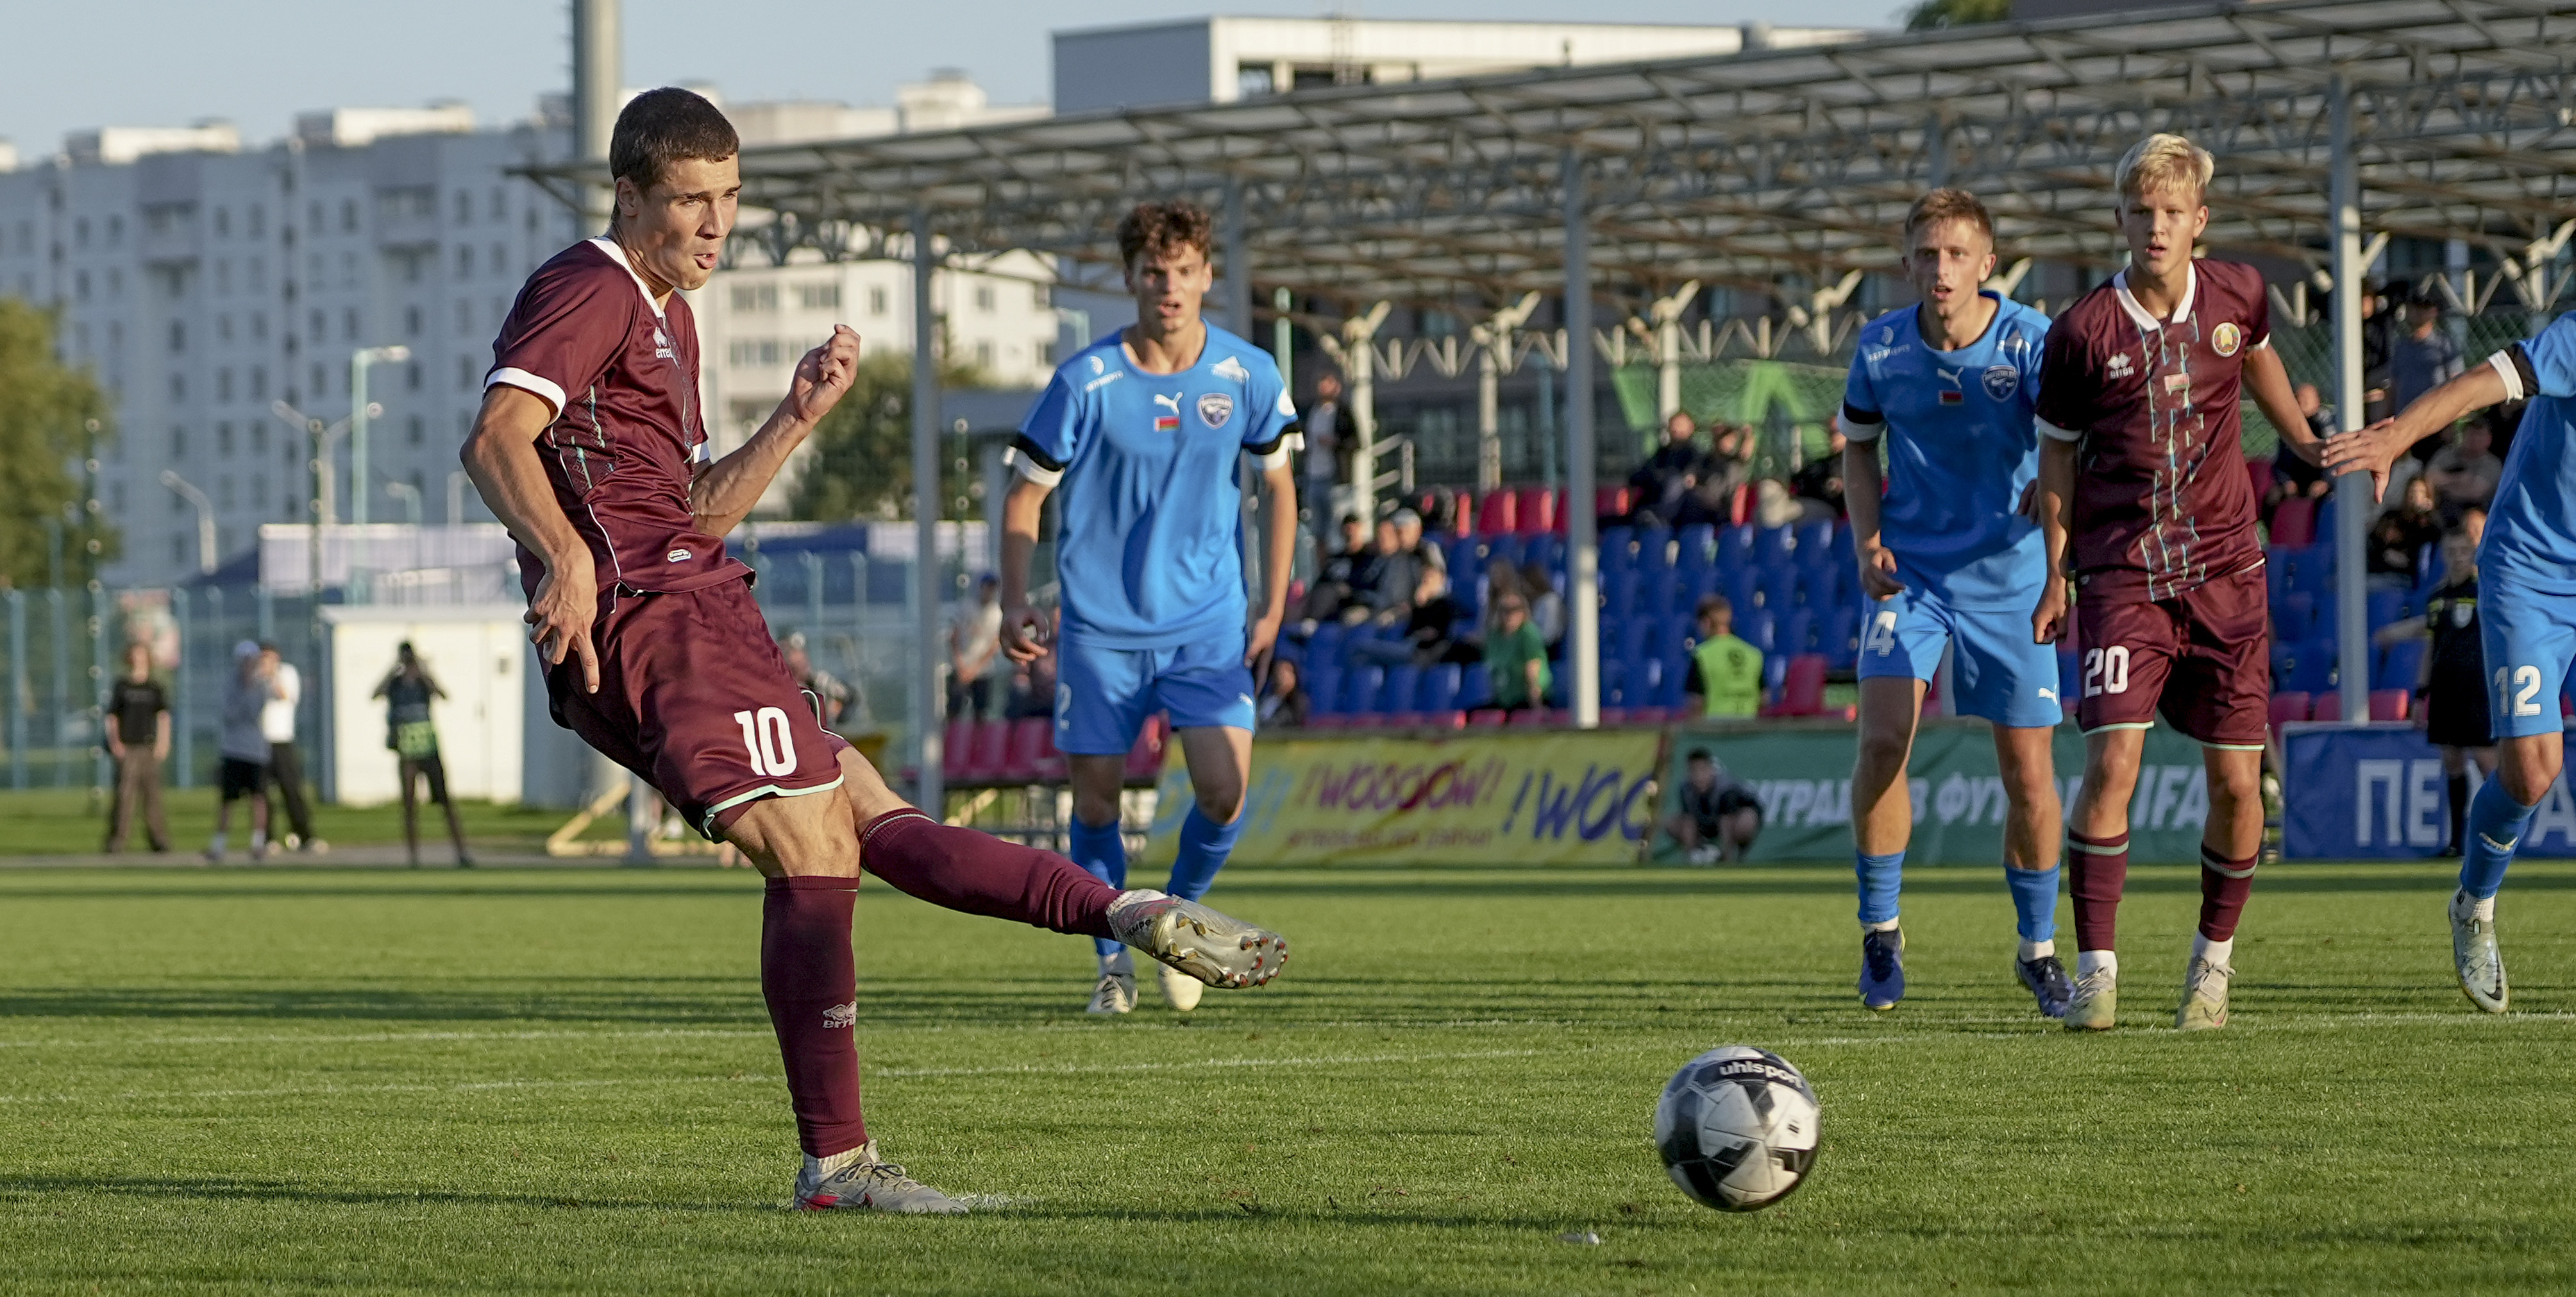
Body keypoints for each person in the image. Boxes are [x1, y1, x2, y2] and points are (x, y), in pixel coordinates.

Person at [461, 90, 1284, 1214]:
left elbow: (694, 507)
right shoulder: (591, 280)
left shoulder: (669, 311)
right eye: (691, 200)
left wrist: (795, 417)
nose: (717, 223)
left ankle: (1119, 913)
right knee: (813, 846)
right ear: (630, 194)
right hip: (651, 612)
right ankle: (839, 1164)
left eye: (732, 198)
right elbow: (497, 432)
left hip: (696, 587)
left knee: (867, 814)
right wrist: (560, 556)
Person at [2030, 133, 2323, 1033]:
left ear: (2199, 221)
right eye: (2139, 212)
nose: (2154, 227)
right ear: (2118, 219)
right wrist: (2054, 572)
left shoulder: (2237, 293)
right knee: (2112, 760)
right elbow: (2056, 457)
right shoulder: (2082, 332)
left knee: (2238, 785)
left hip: (2230, 573)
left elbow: (2261, 355)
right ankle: (2097, 971)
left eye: (2171, 213)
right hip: (2122, 574)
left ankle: (2212, 965)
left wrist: (2306, 439)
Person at [998, 196, 1301, 1019]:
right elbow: (1024, 497)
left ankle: (1180, 923)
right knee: (1095, 802)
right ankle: (1112, 960)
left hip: (1205, 625)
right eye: (1153, 272)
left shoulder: (1247, 374)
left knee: (1224, 791)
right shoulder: (1085, 380)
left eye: (1184, 272)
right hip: (1101, 630)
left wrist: (1273, 604)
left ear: (1208, 277)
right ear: (1130, 278)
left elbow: (1279, 485)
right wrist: (1017, 600)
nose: (1169, 286)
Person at [1838, 187, 2069, 1018]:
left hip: (2009, 582)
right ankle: (1881, 932)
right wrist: (1867, 539)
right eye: (1926, 255)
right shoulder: (1880, 350)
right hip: (1913, 579)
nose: (1941, 269)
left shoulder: (2031, 341)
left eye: (1956, 254)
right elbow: (1858, 454)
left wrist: (2054, 564)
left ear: (1988, 264)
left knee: (2030, 775)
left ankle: (2038, 949)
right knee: (1881, 742)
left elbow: (2064, 451)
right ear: (1905, 265)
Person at [2323, 301, 2576, 1017]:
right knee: (2531, 771)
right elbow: (2479, 384)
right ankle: (2475, 903)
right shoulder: (2574, 340)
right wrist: (2396, 436)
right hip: (2533, 574)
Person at [2371, 527, 2491, 856]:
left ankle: (2502, 838)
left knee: (2486, 763)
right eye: (2451, 551)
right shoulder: (2437, 597)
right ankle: (2456, 842)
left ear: (2474, 554)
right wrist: (2421, 695)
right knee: (2452, 762)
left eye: (2463, 551)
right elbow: (2430, 648)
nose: (2457, 557)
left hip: (2478, 689)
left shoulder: (2486, 592)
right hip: (2446, 689)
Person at [373, 641, 473, 869]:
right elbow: (376, 693)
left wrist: (424, 671)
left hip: (429, 749)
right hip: (407, 751)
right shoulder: (395, 684)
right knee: (409, 804)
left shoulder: (423, 684)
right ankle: (413, 857)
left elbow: (442, 694)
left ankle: (462, 852)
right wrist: (393, 669)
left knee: (445, 802)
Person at [255, 643, 325, 854]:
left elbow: (286, 697)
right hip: (258, 742)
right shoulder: (253, 677)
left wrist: (272, 676)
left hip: (282, 740)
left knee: (292, 790)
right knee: (262, 794)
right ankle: (266, 838)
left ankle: (305, 835)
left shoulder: (287, 673)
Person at [102, 643, 171, 853]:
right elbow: (112, 717)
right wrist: (115, 743)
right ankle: (117, 840)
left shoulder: (154, 687)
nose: (138, 660)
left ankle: (158, 840)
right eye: (135, 656)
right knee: (125, 795)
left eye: (142, 656)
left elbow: (163, 717)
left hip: (148, 746)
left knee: (152, 796)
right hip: (128, 746)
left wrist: (163, 742)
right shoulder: (122, 686)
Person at [208, 641, 273, 863]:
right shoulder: (229, 684)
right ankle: (218, 845)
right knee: (228, 800)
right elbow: (229, 714)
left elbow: (255, 712)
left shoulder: (262, 685)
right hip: (233, 749)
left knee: (258, 798)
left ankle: (258, 844)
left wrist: (250, 689)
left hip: (256, 751)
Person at [1667, 749, 1762, 864]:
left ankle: (1738, 857)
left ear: (1711, 770)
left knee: (1746, 822)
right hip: (1708, 820)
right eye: (1693, 771)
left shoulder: (1726, 789)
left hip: (1735, 820)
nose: (1698, 776)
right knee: (1671, 824)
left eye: (1702, 770)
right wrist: (1690, 854)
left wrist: (1726, 855)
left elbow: (1727, 821)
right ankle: (1702, 852)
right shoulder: (1685, 788)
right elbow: (1689, 821)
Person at [1683, 595, 1763, 719]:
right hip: (1749, 729)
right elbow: (1764, 698)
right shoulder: (1754, 654)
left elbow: (1697, 702)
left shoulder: (1702, 655)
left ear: (1706, 623)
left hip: (1716, 731)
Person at [2264, 383, 2336, 522]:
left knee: (2322, 504)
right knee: (2272, 499)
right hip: (2297, 484)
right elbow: (2280, 463)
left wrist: (2326, 481)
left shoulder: (2325, 425)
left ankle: (2313, 539)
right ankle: (2279, 538)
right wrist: (2287, 482)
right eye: (2298, 398)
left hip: (2321, 482)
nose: (2301, 402)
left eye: (2306, 399)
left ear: (2317, 401)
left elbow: (2335, 456)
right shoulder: (2290, 428)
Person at [2365, 475, 2444, 591]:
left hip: (2404, 578)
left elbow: (2425, 558)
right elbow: (2372, 543)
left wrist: (2428, 514)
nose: (2415, 496)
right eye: (2412, 491)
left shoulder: (2429, 527)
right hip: (2378, 569)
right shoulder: (2391, 517)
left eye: (2420, 492)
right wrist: (2385, 554)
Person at [1629, 411, 1703, 526]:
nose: (1675, 429)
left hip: (1679, 510)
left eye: (1679, 425)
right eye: (1673, 425)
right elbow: (1640, 475)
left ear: (1691, 428)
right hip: (1652, 503)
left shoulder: (1694, 455)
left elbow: (1691, 477)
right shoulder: (1662, 453)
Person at [947, 574, 1003, 722]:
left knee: (981, 714)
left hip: (983, 671)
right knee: (953, 712)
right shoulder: (966, 607)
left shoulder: (997, 613)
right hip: (961, 668)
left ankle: (979, 745)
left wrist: (974, 670)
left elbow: (994, 645)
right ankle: (951, 743)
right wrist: (960, 665)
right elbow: (954, 637)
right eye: (987, 587)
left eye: (993, 588)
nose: (990, 591)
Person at [1481, 592, 1551, 712]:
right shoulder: (1494, 637)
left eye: (1515, 610)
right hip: (1505, 700)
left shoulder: (1528, 633)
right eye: (1504, 610)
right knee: (1474, 717)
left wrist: (1536, 704)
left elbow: (1533, 667)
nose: (1509, 615)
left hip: (1527, 699)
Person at [2425, 421, 2503, 521]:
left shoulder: (2493, 464)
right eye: (2471, 434)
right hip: (2439, 513)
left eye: (2479, 436)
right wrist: (2458, 479)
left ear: (2489, 440)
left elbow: (2476, 492)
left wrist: (2444, 485)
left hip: (2475, 515)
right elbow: (2430, 477)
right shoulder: (2446, 454)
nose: (2474, 439)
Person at [779, 631, 854, 731]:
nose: (799, 657)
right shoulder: (780, 685)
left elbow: (848, 695)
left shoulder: (820, 681)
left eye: (801, 652)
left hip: (819, 736)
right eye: (792, 652)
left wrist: (834, 714)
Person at [1790, 421, 1848, 523]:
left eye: (1837, 432)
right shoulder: (1822, 464)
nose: (1832, 437)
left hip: (1827, 510)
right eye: (1830, 432)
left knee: (1779, 513)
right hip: (1808, 505)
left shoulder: (1853, 464)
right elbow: (1797, 480)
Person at [1303, 372, 1342, 510]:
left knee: (1334, 517)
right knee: (1315, 517)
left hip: (1333, 474)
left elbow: (1354, 441)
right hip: (1313, 472)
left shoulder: (1341, 413)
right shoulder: (1314, 412)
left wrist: (1335, 442)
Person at [1520, 562, 1565, 650]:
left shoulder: (1550, 601)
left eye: (1523, 584)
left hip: (1548, 650)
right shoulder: (1534, 602)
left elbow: (1548, 635)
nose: (1522, 588)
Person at [1258, 656, 1310, 729]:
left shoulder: (1299, 702)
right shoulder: (1265, 699)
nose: (1281, 675)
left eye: (1287, 671)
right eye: (1278, 671)